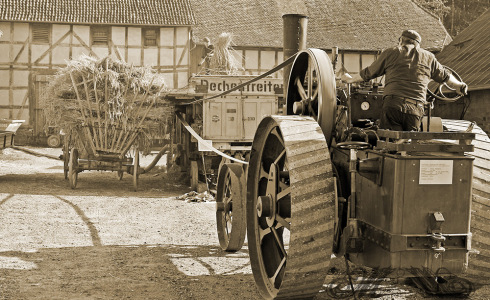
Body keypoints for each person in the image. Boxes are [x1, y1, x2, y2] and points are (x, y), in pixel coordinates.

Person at [342, 30, 467, 131]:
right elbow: (446, 77)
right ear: (418, 44)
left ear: (401, 41)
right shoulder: (429, 57)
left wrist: (350, 79)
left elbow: (369, 73)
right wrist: (459, 85)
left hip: (393, 105)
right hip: (415, 108)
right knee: (409, 146)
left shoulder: (391, 52)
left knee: (390, 145)